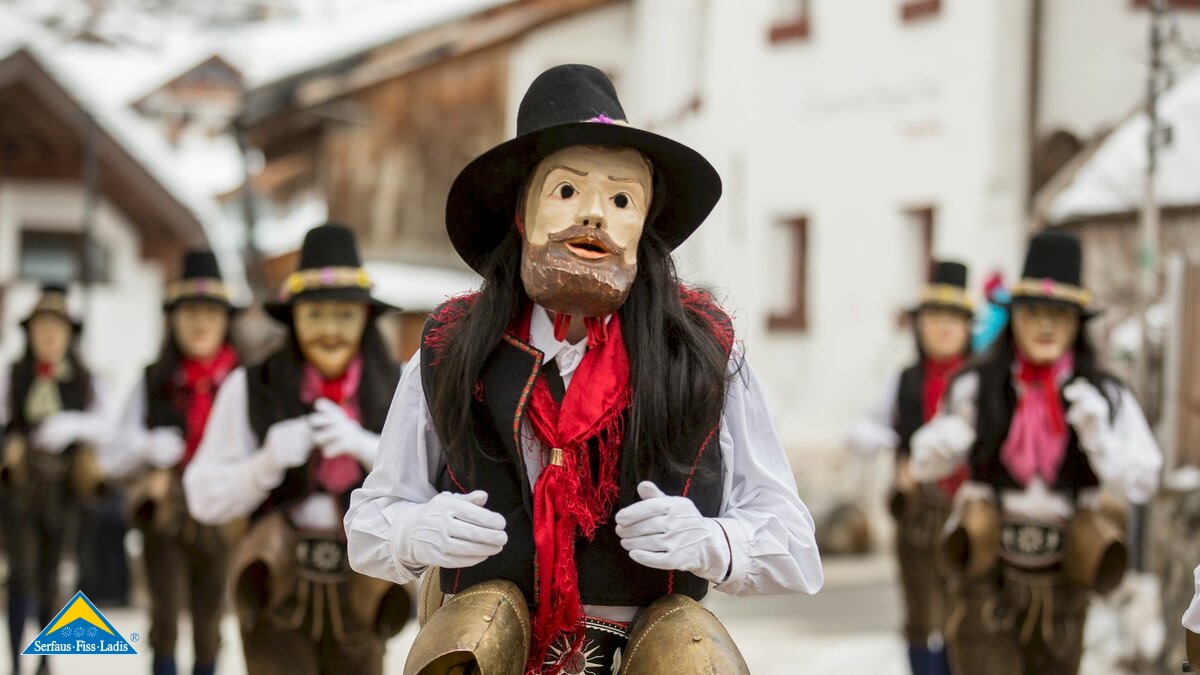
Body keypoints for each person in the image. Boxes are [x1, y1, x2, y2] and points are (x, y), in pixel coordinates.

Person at [345, 64, 823, 674]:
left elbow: (796, 548)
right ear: (523, 214)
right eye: (567, 191)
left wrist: (718, 542)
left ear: (643, 225)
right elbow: (368, 524)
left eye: (622, 199)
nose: (594, 216)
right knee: (477, 623)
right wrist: (412, 529)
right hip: (491, 649)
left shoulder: (705, 350)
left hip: (652, 653)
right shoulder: (449, 348)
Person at [910, 231, 1161, 675]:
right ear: (1014, 318)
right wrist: (947, 438)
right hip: (989, 582)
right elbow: (924, 462)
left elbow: (1143, 480)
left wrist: (1099, 437)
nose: (1046, 325)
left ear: (1077, 323)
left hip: (1064, 585)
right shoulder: (976, 384)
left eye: (1059, 315)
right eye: (1034, 313)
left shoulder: (1104, 395)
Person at [183, 225, 409, 675]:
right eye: (315, 315)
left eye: (344, 315)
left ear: (365, 317)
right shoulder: (248, 387)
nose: (329, 330)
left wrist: (366, 447)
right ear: (293, 318)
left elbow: (434, 486)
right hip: (274, 586)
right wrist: (263, 465)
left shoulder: (403, 385)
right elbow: (201, 497)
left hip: (365, 593)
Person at [102, 250, 240, 675]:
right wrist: (146, 446)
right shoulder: (152, 379)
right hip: (167, 514)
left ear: (225, 321)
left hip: (224, 514)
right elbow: (111, 456)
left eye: (210, 313)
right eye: (189, 312)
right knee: (164, 617)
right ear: (173, 320)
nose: (200, 323)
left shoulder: (245, 380)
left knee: (210, 619)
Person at [848, 260, 974, 675]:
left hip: (973, 515)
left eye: (953, 319)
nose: (943, 328)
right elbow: (863, 430)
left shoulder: (982, 381)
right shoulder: (904, 380)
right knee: (922, 616)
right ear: (919, 325)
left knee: (971, 611)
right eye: (934, 317)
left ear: (967, 327)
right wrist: (895, 447)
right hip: (919, 513)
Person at [0, 285, 115, 675]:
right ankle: (15, 661)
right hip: (19, 488)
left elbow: (107, 425)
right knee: (21, 574)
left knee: (53, 576)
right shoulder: (13, 374)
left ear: (69, 334)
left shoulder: (85, 380)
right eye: (42, 327)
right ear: (30, 332)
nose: (49, 336)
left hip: (65, 488)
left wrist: (72, 425)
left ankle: (44, 661)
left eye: (57, 327)